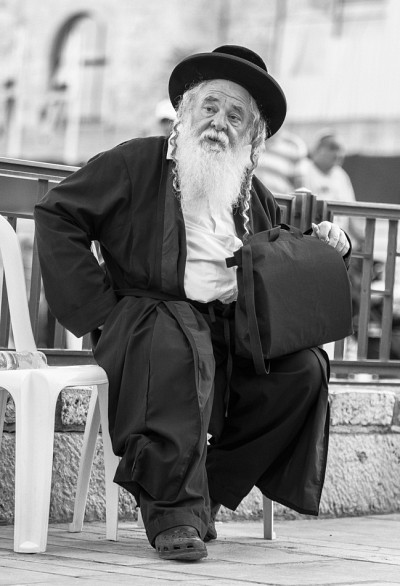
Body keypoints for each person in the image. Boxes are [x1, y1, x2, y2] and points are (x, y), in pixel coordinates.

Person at [34, 45, 350, 562]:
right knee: (176, 341)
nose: (220, 122)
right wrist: (98, 312)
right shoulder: (136, 161)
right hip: (151, 317)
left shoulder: (251, 192)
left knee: (304, 371)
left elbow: (277, 257)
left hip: (231, 329)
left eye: (236, 116)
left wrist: (329, 241)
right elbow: (57, 214)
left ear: (251, 135)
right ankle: (173, 515)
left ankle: (208, 491)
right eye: (211, 106)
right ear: (186, 110)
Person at [296, 129, 363, 244]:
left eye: (341, 150)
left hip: (341, 241)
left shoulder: (341, 175)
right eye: (333, 148)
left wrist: (363, 239)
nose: (338, 154)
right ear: (317, 149)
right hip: (313, 240)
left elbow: (351, 213)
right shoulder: (303, 171)